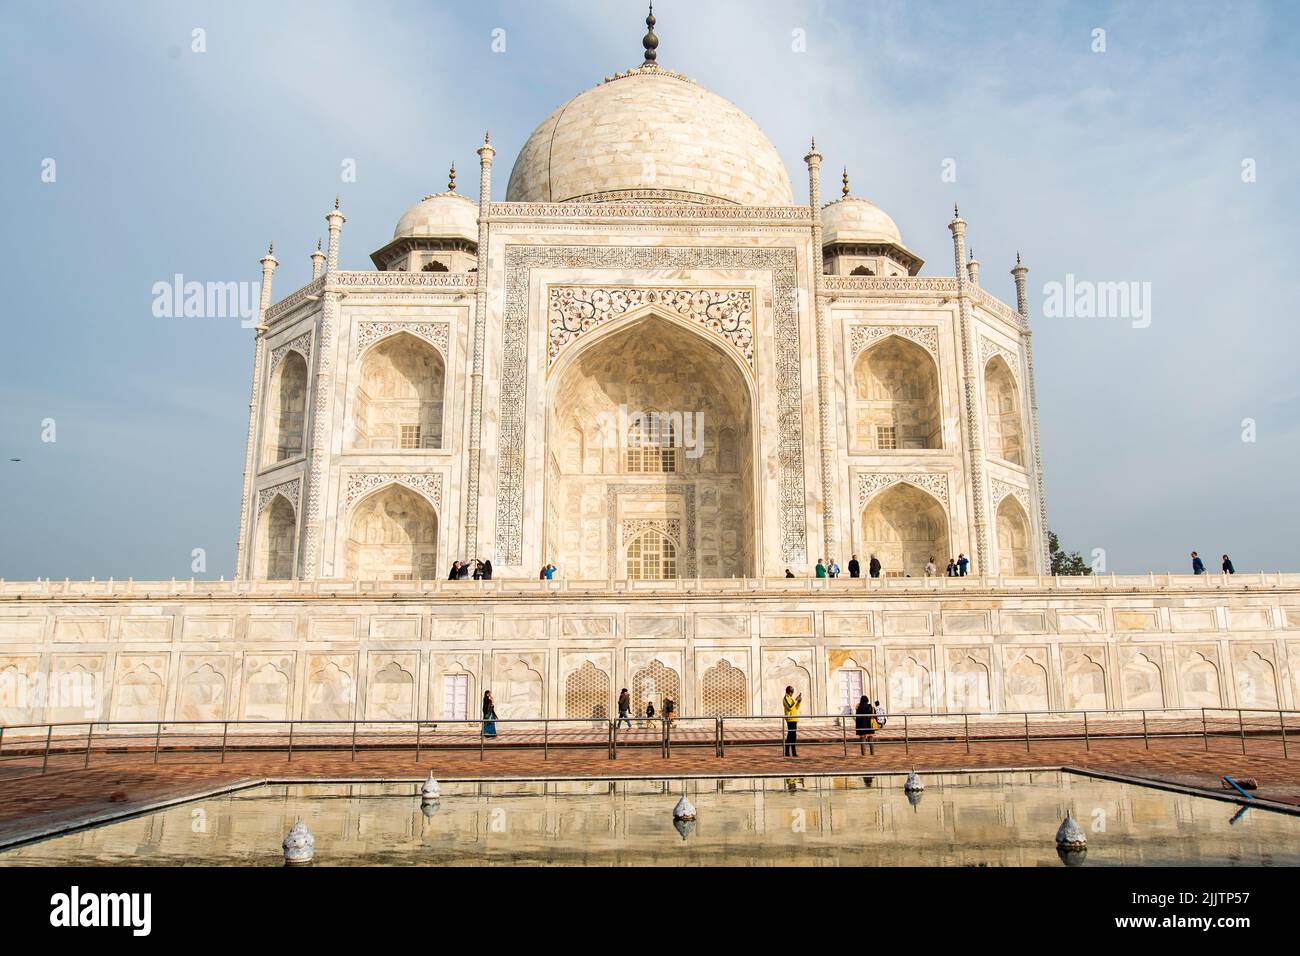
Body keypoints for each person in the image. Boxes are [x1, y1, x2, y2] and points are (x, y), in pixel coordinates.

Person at [782, 685, 802, 757]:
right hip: (790, 719)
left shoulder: (790, 698)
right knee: (790, 736)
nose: (792, 693)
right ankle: (787, 752)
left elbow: (795, 708)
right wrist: (796, 700)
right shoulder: (785, 698)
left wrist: (798, 702)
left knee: (793, 736)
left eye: (792, 692)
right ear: (788, 692)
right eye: (791, 692)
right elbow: (790, 707)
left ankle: (793, 752)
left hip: (794, 718)